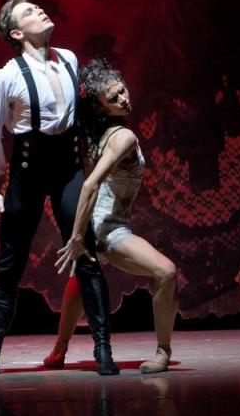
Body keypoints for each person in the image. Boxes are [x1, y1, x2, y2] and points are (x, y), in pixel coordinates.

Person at [0, 0, 119, 377]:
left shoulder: (68, 60)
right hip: (28, 167)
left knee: (86, 253)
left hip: (67, 167)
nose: (40, 11)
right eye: (29, 12)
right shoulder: (5, 77)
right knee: (10, 262)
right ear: (17, 33)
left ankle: (103, 350)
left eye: (38, 7)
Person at [46, 58, 178, 374]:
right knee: (167, 273)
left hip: (97, 223)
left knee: (81, 280)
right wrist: (77, 237)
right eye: (114, 97)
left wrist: (80, 235)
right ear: (101, 107)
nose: (123, 98)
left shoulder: (102, 134)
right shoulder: (123, 137)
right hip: (107, 227)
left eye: (122, 90)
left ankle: (59, 349)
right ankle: (163, 352)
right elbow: (90, 184)